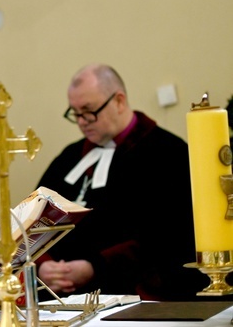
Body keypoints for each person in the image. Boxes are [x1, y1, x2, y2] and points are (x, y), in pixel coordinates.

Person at [36, 64, 207, 300]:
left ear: (118, 101)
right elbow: (32, 221)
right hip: (60, 298)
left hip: (127, 295)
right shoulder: (69, 157)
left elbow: (169, 237)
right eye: (75, 113)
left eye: (88, 110)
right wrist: (42, 266)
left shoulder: (167, 153)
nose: (82, 122)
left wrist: (95, 268)